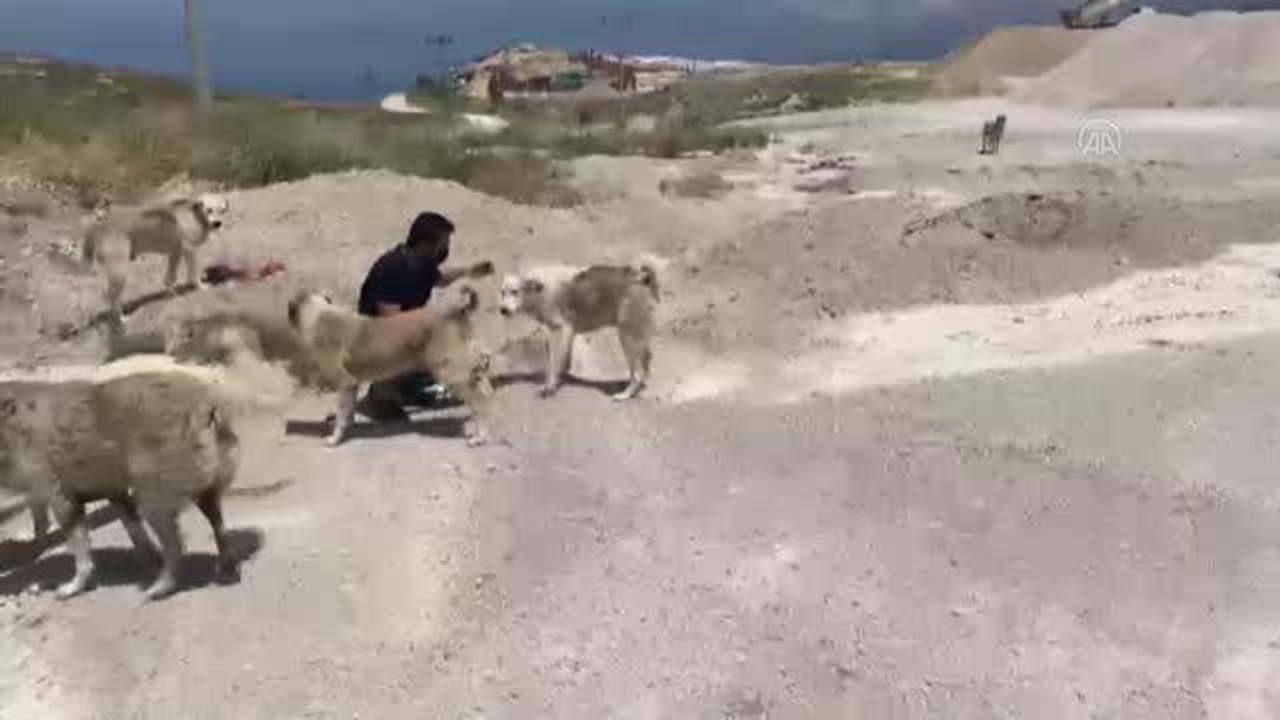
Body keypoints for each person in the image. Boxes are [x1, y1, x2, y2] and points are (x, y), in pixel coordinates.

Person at [357, 211, 493, 421]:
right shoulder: (393, 267)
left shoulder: (420, 264)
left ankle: (407, 386)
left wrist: (468, 271)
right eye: (443, 243)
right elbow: (389, 322)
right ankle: (381, 395)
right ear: (426, 244)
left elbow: (440, 279)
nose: (445, 249)